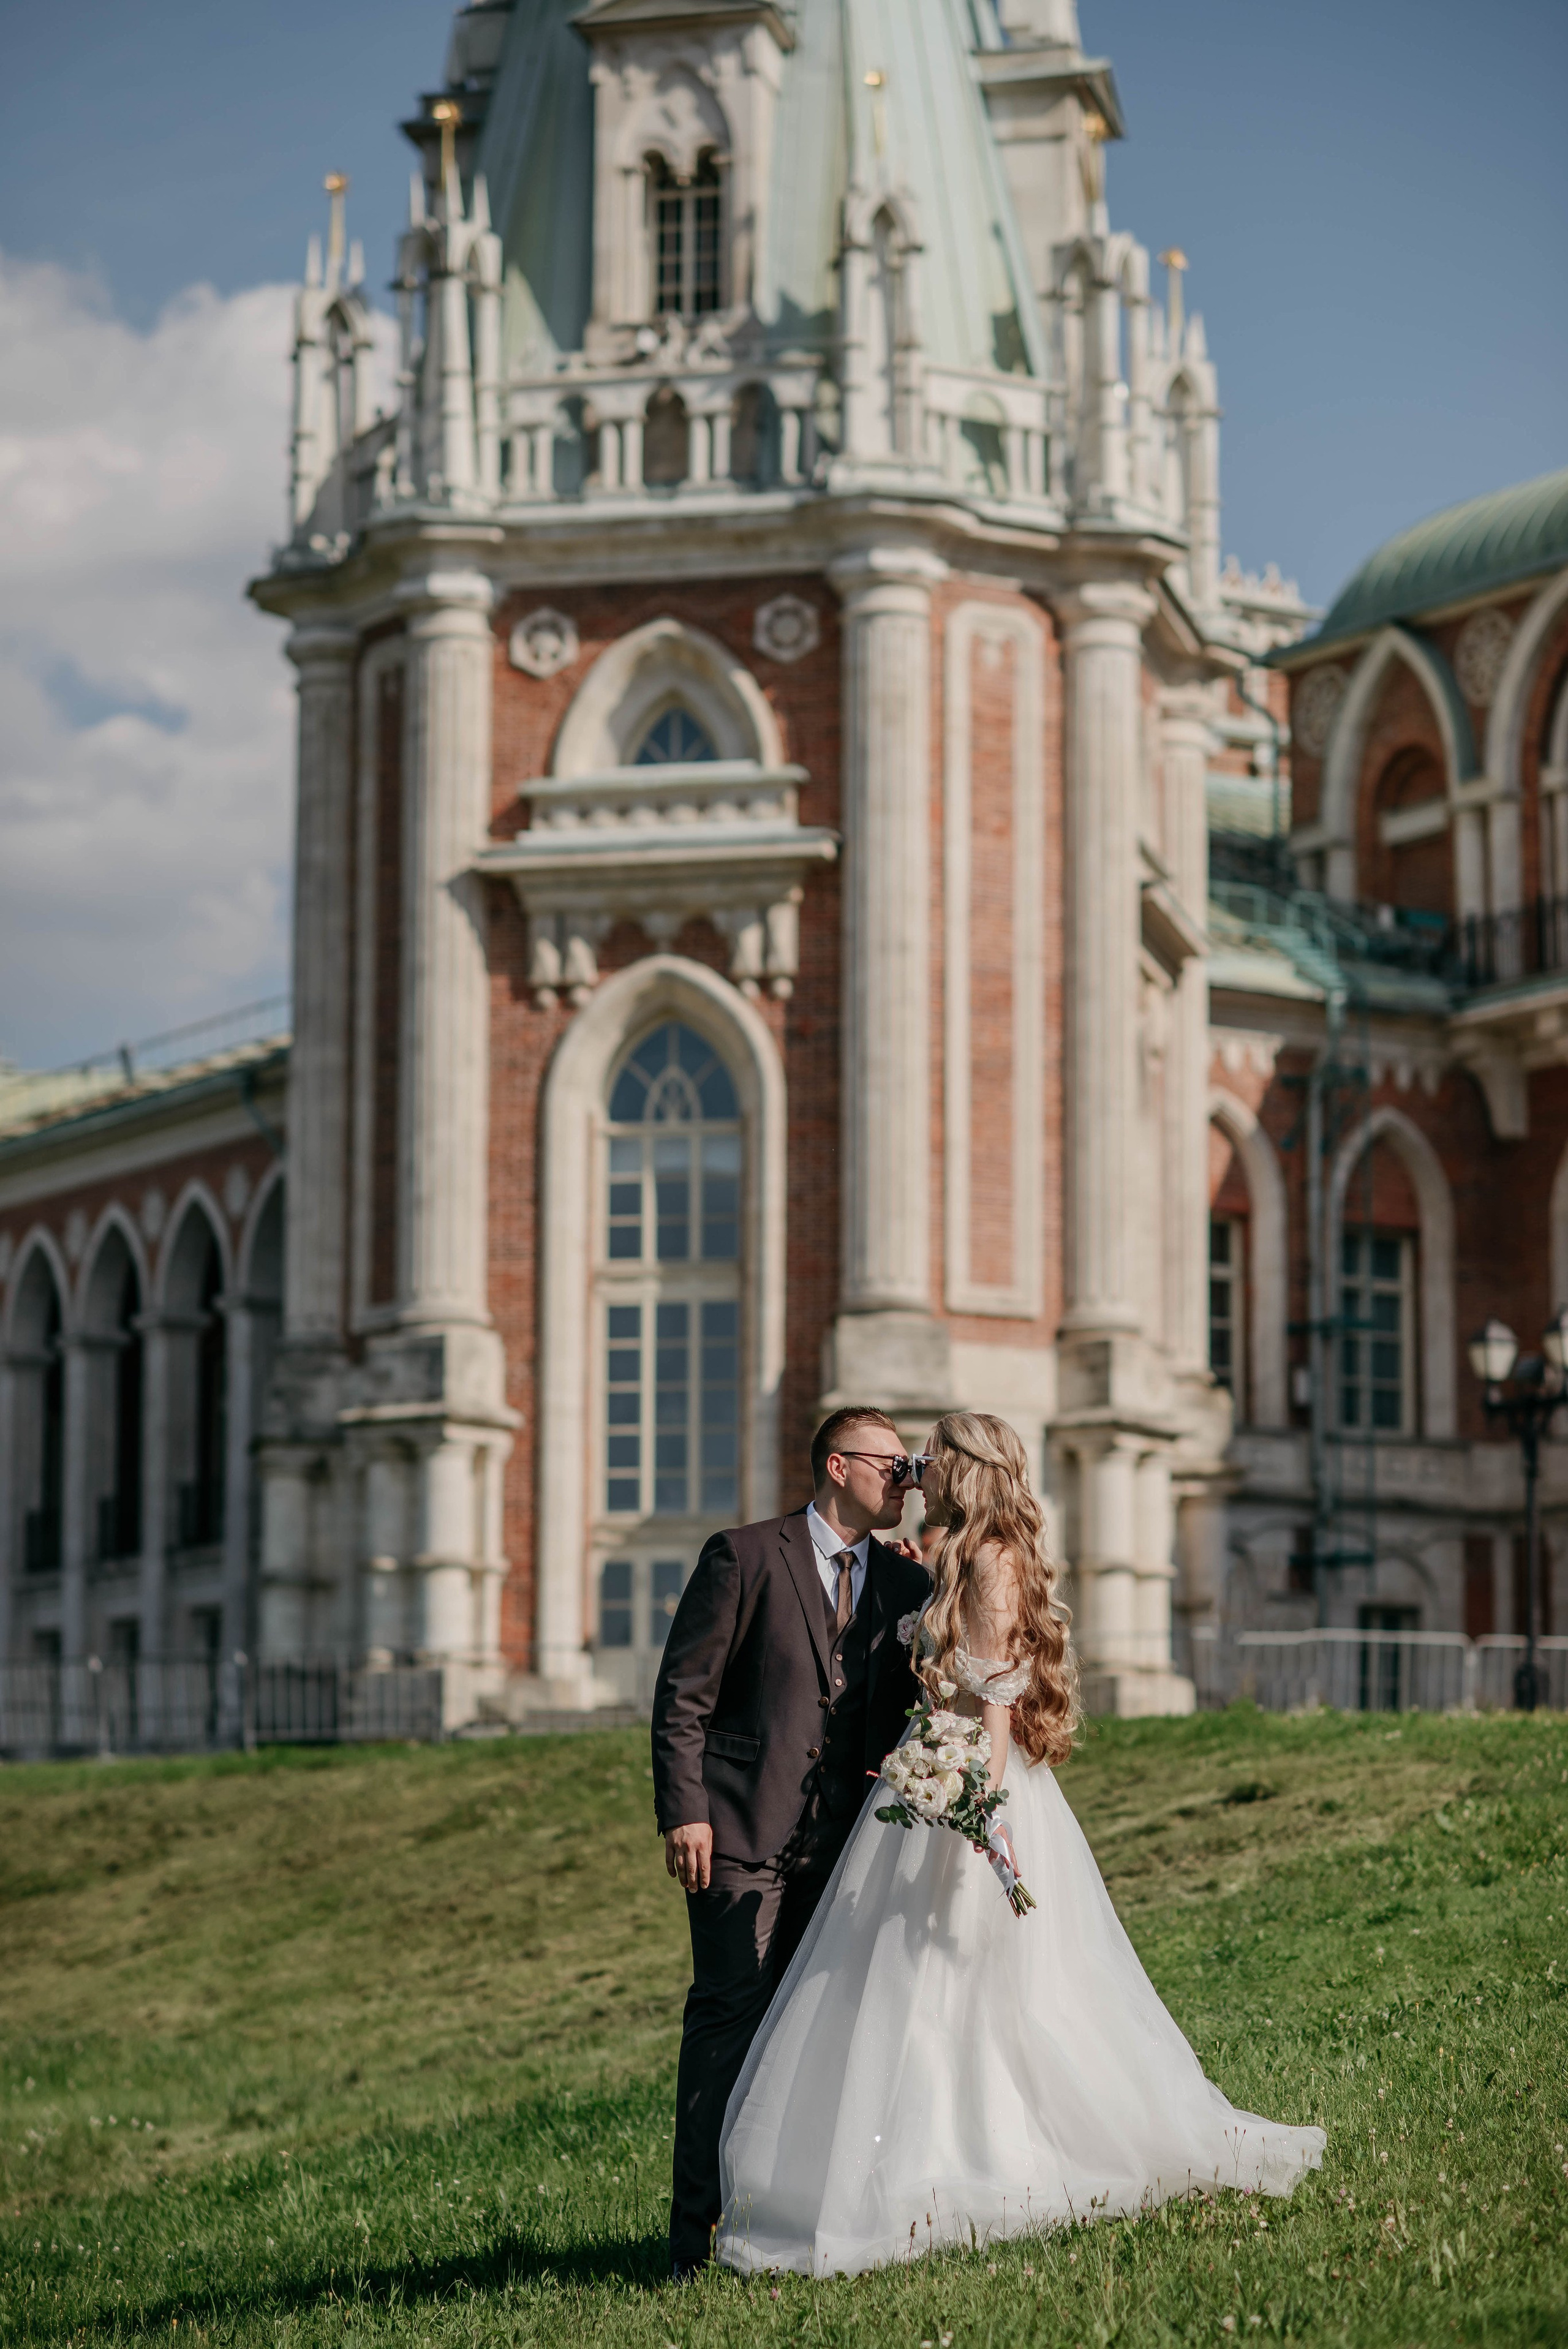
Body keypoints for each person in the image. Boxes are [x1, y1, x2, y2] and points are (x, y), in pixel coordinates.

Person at [716, 1411, 1326, 2278]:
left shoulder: (995, 1557)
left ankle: (984, 2159)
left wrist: (975, 1801)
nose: (920, 1469)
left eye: (934, 1456)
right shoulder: (958, 1550)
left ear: (969, 1468)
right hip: (931, 1773)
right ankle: (899, 2160)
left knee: (964, 1983)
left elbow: (996, 1696)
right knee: (913, 1984)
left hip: (971, 1781)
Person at [650, 1405, 933, 2280]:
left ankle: (785, 2225)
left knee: (818, 2036)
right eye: (895, 1464)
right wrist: (683, 1810)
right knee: (727, 2023)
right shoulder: (741, 1556)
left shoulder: (905, 1583)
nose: (909, 1479)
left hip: (850, 1845)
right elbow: (683, 1698)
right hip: (737, 1833)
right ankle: (693, 2238)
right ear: (841, 1466)